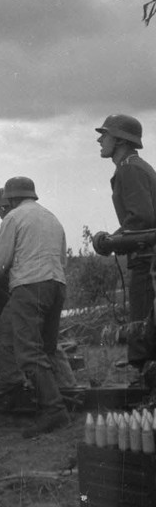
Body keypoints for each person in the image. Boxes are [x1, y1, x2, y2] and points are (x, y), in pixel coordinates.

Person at [0, 176, 70, 437]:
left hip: (30, 287)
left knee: (28, 352)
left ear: (10, 198)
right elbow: (62, 257)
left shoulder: (14, 217)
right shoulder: (51, 218)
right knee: (45, 347)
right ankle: (57, 396)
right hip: (57, 285)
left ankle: (53, 410)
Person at [96, 113, 156, 368]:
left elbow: (142, 219)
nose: (100, 140)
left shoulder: (130, 168)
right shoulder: (135, 166)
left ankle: (145, 382)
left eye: (104, 134)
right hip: (146, 257)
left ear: (119, 140)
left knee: (142, 323)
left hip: (146, 259)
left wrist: (110, 241)